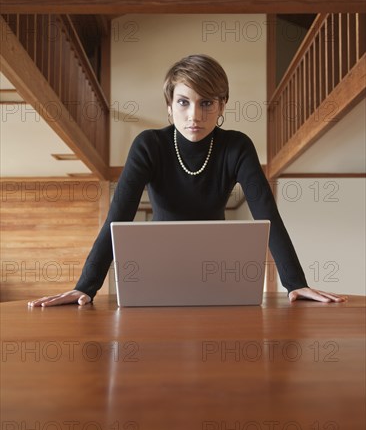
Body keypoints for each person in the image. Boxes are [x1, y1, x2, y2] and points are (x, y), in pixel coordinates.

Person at [28, 54, 346, 307]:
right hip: (157, 270)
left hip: (219, 271)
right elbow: (118, 216)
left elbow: (266, 213)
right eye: (184, 102)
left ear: (222, 105)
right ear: (169, 106)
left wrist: (296, 283)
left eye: (206, 103)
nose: (194, 115)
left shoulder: (236, 146)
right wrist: (84, 286)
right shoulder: (149, 145)